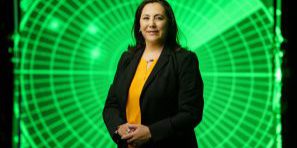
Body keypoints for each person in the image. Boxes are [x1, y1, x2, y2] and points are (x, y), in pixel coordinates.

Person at [102, 0, 204, 147]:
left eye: (159, 18)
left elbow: (191, 113)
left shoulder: (185, 60)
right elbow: (111, 105)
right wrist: (118, 128)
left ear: (169, 24)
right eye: (146, 18)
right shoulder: (127, 59)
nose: (151, 24)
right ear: (139, 26)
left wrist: (151, 132)